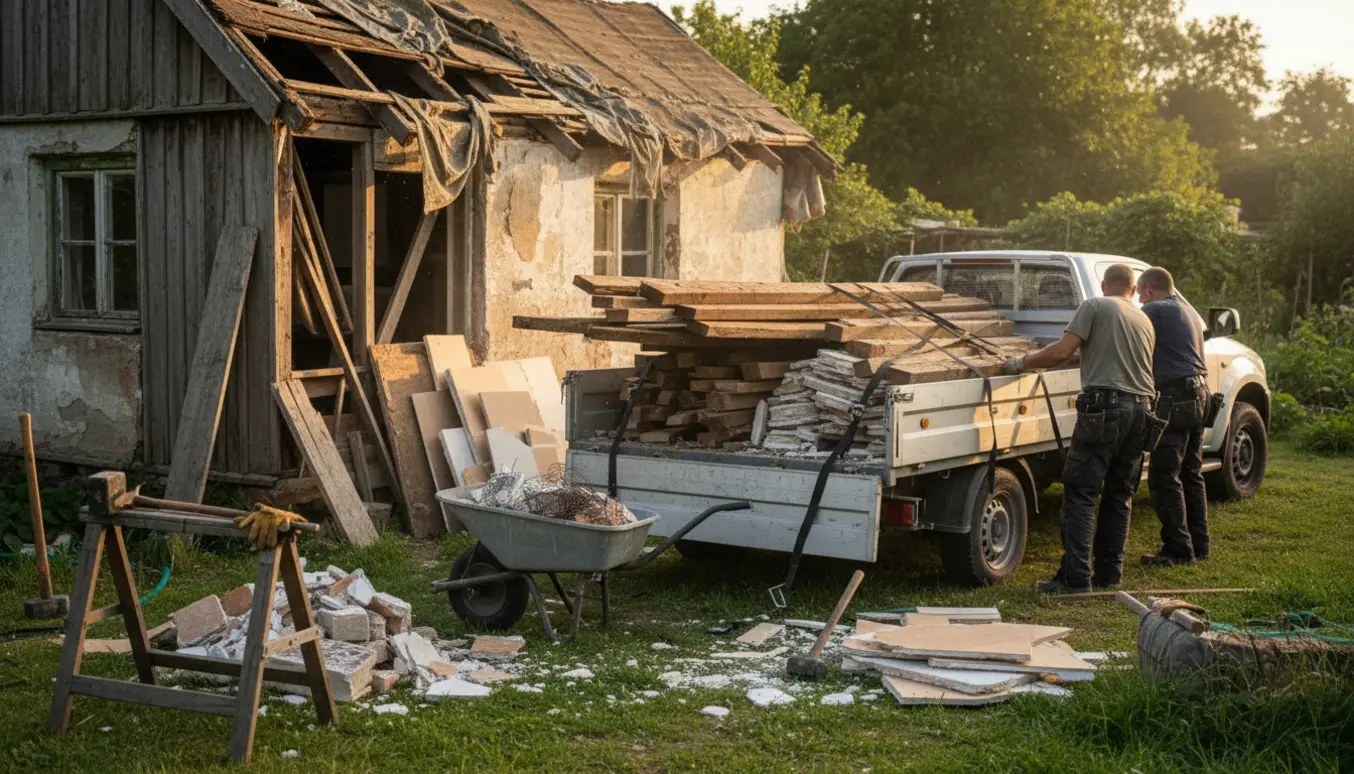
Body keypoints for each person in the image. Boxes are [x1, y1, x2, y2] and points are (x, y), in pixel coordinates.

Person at [1003, 264, 1157, 594]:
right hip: (1142, 411)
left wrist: (1020, 363)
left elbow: (1060, 352)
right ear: (1132, 289)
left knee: (1082, 494)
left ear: (1104, 285)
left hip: (1106, 409)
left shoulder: (1095, 306)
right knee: (1119, 496)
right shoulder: (1143, 318)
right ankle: (1109, 577)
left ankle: (1075, 580)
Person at [1137, 267, 1211, 566]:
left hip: (1176, 398)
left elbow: (1130, 327)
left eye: (1141, 295)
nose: (1140, 301)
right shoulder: (1187, 309)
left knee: (1163, 475)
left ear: (1149, 290)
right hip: (1200, 395)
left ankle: (1178, 550)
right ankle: (1199, 544)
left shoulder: (1154, 310)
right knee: (1191, 473)